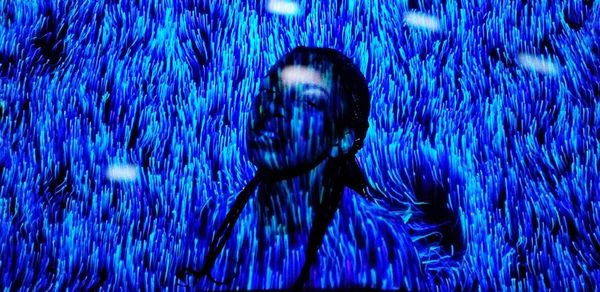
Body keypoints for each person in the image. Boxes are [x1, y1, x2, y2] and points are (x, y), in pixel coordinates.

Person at [178, 46, 428, 290]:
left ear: (342, 140)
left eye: (308, 102)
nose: (274, 108)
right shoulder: (213, 219)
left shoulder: (380, 243)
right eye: (267, 91)